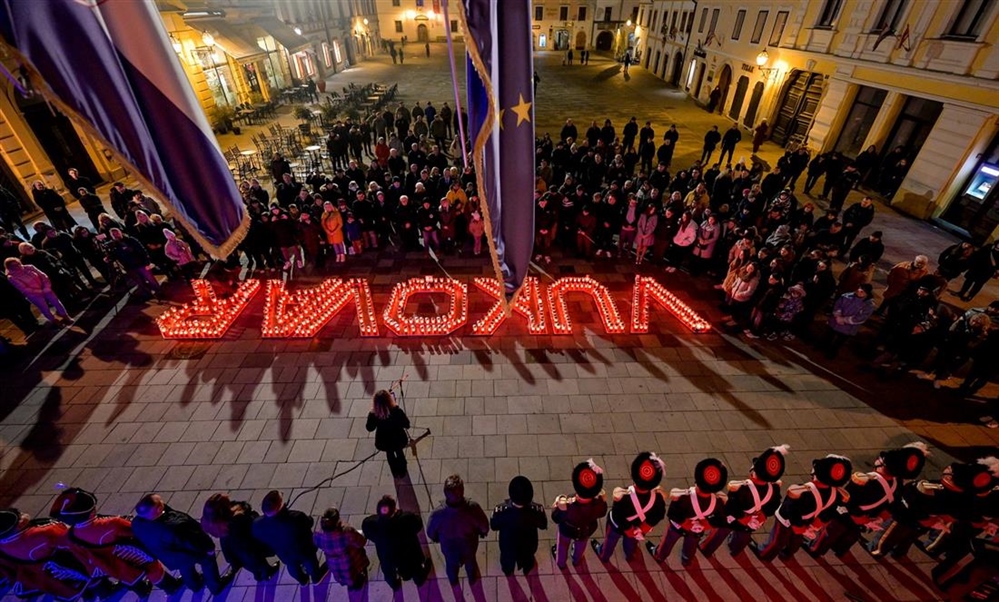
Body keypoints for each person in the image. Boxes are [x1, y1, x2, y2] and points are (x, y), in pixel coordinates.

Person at [50, 487, 181, 596]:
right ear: (90, 513)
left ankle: (142, 590)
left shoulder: (71, 534)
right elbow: (134, 530)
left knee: (126, 574)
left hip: (108, 560)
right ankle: (170, 586)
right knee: (152, 566)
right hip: (129, 552)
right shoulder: (110, 524)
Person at [807, 444, 928, 558]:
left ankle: (815, 549)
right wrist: (877, 519)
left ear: (884, 465)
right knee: (851, 536)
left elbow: (848, 502)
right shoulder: (898, 483)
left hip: (846, 516)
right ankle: (840, 550)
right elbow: (893, 506)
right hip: (867, 519)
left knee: (829, 534)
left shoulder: (864, 481)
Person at [753, 454, 852, 561]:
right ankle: (787, 554)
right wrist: (814, 524)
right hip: (808, 522)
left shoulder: (802, 491)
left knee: (777, 541)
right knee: (796, 541)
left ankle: (764, 554)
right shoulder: (836, 494)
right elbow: (829, 512)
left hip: (787, 522)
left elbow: (790, 509)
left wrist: (798, 527)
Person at [132, 493, 234, 595]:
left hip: (171, 557)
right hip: (188, 552)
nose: (163, 502)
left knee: (185, 568)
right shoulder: (174, 526)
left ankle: (195, 585)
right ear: (158, 510)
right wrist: (209, 548)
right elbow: (192, 542)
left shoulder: (136, 523)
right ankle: (215, 586)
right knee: (208, 562)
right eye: (160, 502)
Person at [700, 445, 788, 558]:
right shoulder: (774, 488)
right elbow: (774, 505)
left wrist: (742, 516)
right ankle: (734, 550)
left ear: (753, 472)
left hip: (735, 519)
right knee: (743, 537)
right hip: (752, 521)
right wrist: (764, 514)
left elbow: (731, 507)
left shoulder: (741, 488)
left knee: (720, 533)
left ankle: (706, 549)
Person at [647, 458, 729, 566]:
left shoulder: (682, 498)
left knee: (667, 542)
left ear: (697, 480)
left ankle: (659, 555)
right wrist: (702, 525)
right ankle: (686, 559)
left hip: (677, 528)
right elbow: (719, 521)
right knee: (691, 545)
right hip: (696, 531)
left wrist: (687, 524)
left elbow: (672, 514)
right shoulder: (718, 502)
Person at [592, 452, 668, 562]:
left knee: (610, 541)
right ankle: (629, 554)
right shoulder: (658, 498)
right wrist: (644, 527)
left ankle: (604, 555)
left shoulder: (622, 495)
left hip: (617, 527)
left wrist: (628, 529)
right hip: (638, 527)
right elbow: (659, 514)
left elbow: (617, 515)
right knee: (631, 542)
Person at [0, 507, 90, 600]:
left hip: (34, 570)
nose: (23, 514)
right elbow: (71, 539)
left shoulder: (3, 544)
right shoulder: (43, 533)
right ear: (19, 524)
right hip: (56, 565)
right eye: (20, 515)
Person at [252, 490, 327, 586]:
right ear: (280, 505)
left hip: (284, 554)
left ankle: (303, 581)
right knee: (310, 563)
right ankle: (316, 578)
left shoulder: (257, 524)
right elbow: (308, 523)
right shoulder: (296, 517)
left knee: (292, 566)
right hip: (304, 550)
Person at [427, 474, 489, 587]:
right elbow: (484, 527)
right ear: (463, 492)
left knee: (451, 566)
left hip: (449, 549)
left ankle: (453, 581)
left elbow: (430, 532)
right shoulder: (473, 508)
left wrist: (437, 538)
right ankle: (472, 579)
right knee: (470, 563)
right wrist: (482, 532)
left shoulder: (437, 514)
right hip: (469, 547)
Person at [200, 494, 278, 583]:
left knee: (253, 567)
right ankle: (267, 572)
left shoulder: (220, 526)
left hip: (240, 555)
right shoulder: (238, 520)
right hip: (250, 550)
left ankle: (258, 576)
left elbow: (226, 546)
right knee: (261, 564)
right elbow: (254, 522)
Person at [361, 494, 430, 590]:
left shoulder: (371, 524)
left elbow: (368, 534)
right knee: (416, 569)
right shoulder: (406, 519)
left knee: (389, 572)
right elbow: (418, 524)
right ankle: (419, 580)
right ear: (394, 509)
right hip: (409, 555)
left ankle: (394, 584)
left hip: (387, 558)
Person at [551, 459, 608, 569]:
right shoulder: (599, 504)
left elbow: (555, 518)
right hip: (586, 530)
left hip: (567, 530)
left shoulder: (567, 505)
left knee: (562, 546)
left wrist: (558, 503)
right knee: (581, 545)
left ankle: (561, 563)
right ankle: (576, 560)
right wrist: (602, 499)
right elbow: (602, 513)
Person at [490, 476, 547, 576]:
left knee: (507, 561)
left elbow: (494, 526)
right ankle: (527, 569)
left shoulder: (501, 511)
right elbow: (543, 525)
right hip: (529, 545)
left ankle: (508, 571)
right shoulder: (536, 511)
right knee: (528, 560)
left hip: (508, 546)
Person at [315, 506, 368, 592]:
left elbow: (318, 544)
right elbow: (361, 542)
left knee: (345, 576)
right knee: (356, 572)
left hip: (334, 563)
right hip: (352, 560)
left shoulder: (318, 534)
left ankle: (351, 585)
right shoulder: (346, 532)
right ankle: (358, 582)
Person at [4, 257, 70, 323]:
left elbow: (43, 276)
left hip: (45, 288)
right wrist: (40, 291)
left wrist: (47, 287)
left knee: (56, 302)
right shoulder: (11, 277)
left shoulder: (29, 267)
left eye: (18, 263)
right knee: (44, 308)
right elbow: (24, 289)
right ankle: (53, 320)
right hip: (33, 295)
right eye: (14, 266)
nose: (18, 266)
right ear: (9, 267)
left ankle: (65, 316)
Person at [366, 389, 411, 478]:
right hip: (398, 439)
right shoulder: (396, 411)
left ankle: (395, 472)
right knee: (399, 452)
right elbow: (407, 424)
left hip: (384, 441)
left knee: (389, 454)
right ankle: (402, 471)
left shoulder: (374, 415)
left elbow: (369, 428)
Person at [822, 284, 875, 358]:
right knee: (828, 336)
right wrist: (838, 316)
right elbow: (837, 305)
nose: (859, 292)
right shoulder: (846, 296)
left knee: (838, 342)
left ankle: (831, 353)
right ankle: (823, 348)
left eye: (862, 291)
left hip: (848, 328)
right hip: (835, 322)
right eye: (858, 290)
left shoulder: (869, 305)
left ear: (867, 293)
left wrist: (844, 320)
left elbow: (861, 318)